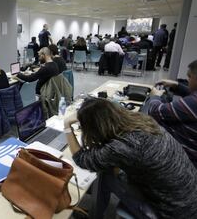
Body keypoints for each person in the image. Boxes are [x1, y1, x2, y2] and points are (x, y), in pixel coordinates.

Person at [64, 98, 197, 218]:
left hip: (174, 212)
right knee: (111, 167)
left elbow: (81, 159)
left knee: (106, 173)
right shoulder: (141, 120)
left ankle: (94, 215)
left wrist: (67, 125)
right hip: (190, 194)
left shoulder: (121, 147)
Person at [148, 60, 197, 167]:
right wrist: (177, 86)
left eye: (189, 77)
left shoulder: (194, 102)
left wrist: (155, 96)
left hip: (184, 164)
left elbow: (156, 111)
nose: (187, 81)